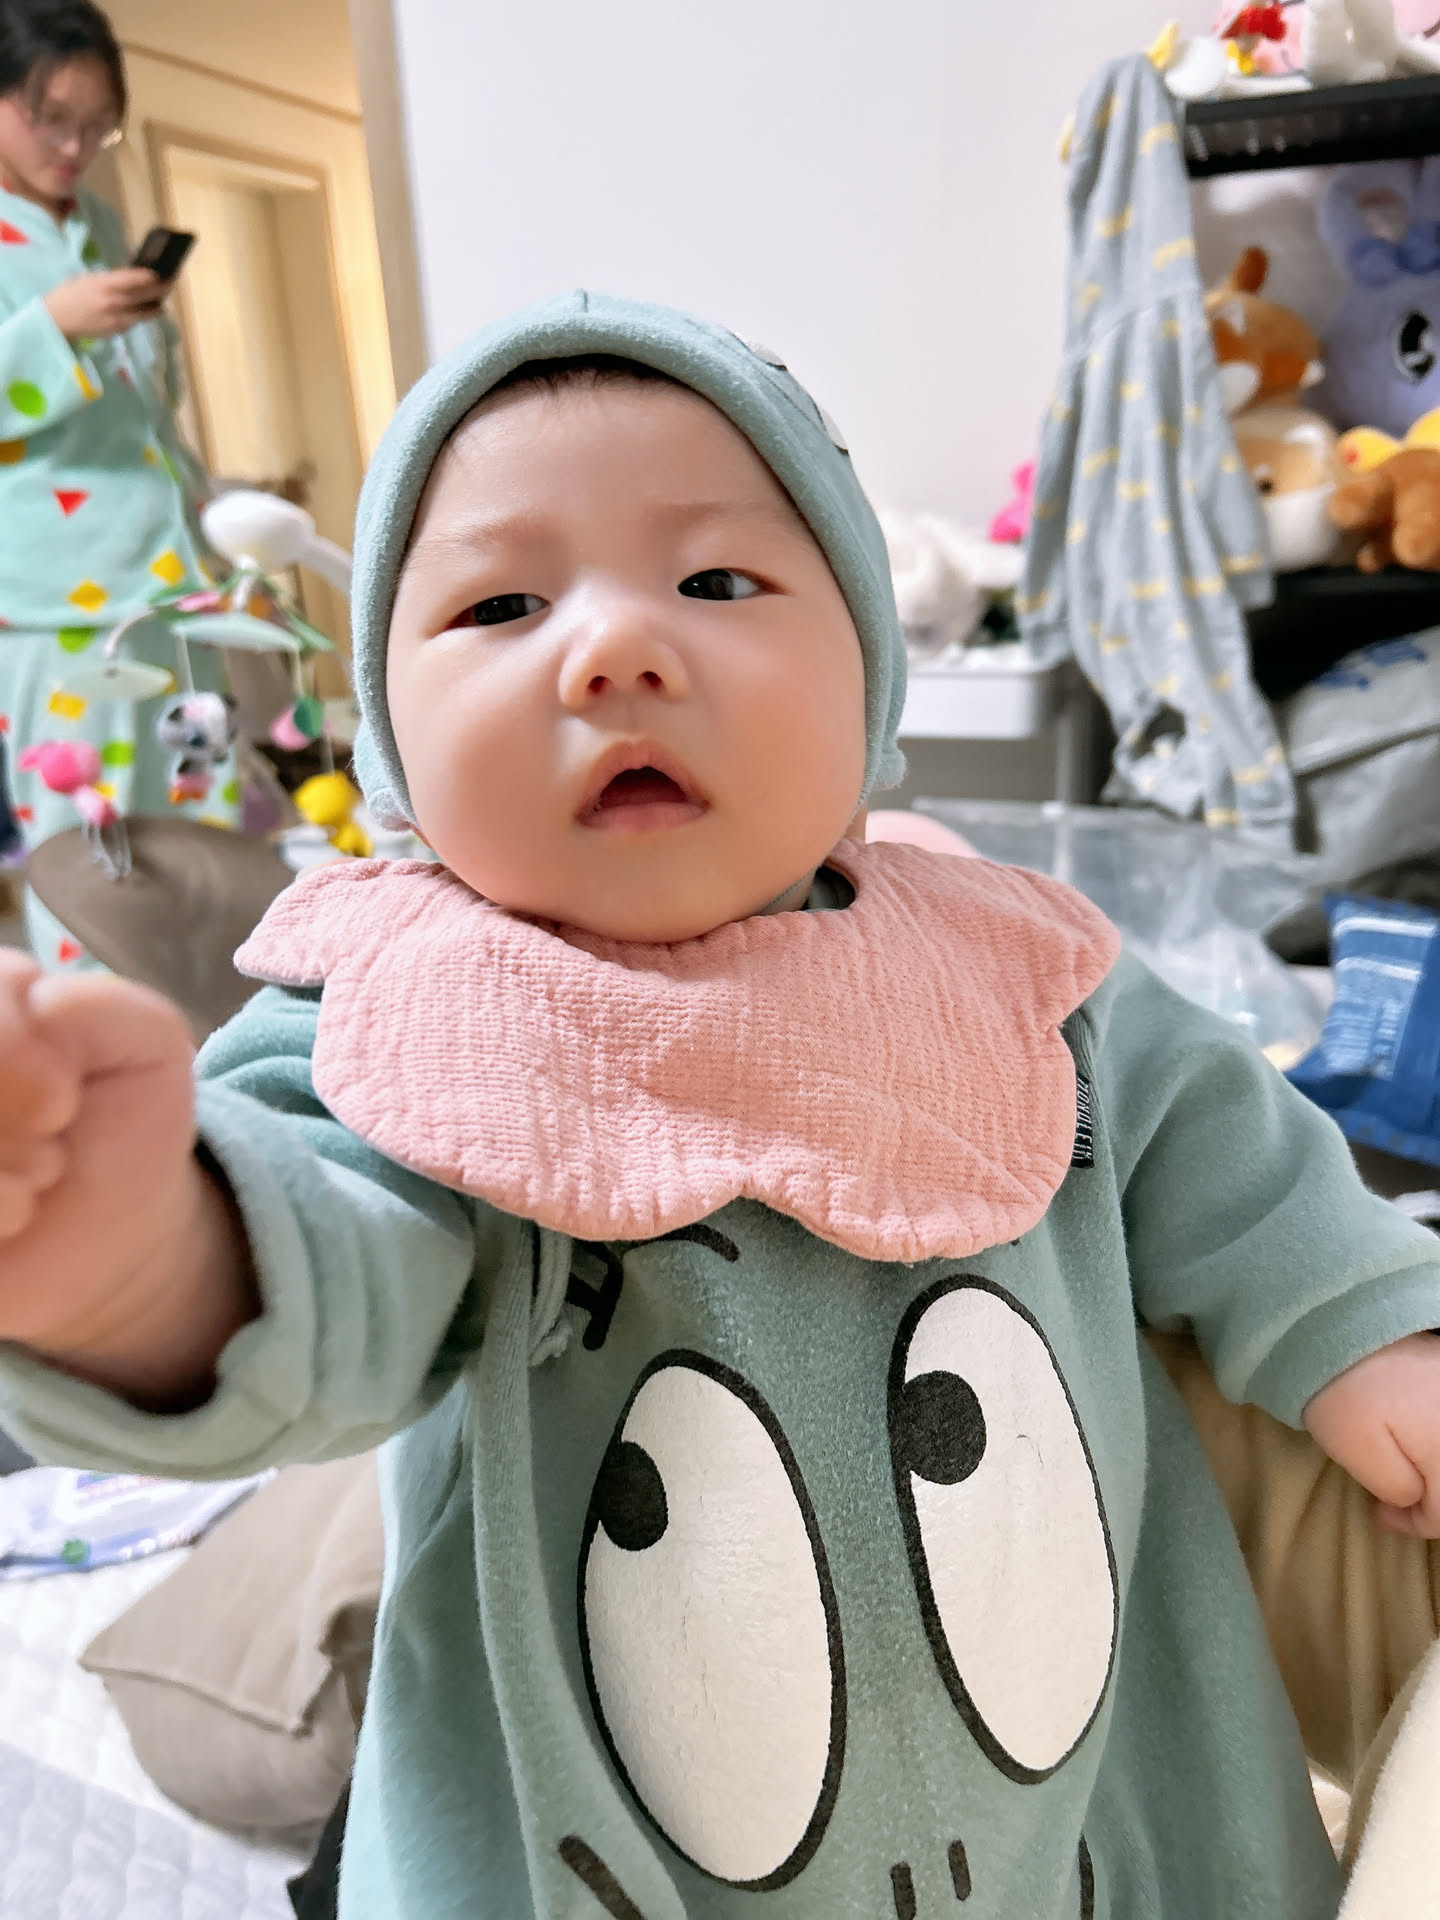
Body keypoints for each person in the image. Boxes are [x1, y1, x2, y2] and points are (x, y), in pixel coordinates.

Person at [3, 291, 1440, 1919]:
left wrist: (1362, 1324)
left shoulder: (1012, 967)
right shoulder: (400, 1012)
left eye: (715, 582)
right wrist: (136, 1259)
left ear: (868, 672)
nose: (614, 648)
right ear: (391, 735)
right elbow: (324, 1264)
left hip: (1096, 1819)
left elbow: (1234, 1154)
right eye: (500, 604)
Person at [0, 0, 236, 971]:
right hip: (61, 606)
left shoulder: (99, 223)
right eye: (51, 119)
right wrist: (51, 326)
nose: (75, 147)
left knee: (207, 826)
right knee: (89, 851)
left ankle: (221, 1043)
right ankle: (97, 1051)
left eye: (97, 124)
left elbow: (147, 416)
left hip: (175, 585)